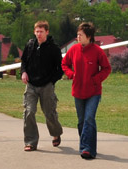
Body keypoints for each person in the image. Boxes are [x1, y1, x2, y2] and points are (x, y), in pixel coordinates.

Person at [61, 21, 111, 160]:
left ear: (89, 37)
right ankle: (88, 146)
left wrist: (96, 79)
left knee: (89, 119)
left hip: (93, 92)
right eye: (77, 35)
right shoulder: (73, 49)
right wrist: (71, 74)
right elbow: (64, 64)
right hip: (78, 91)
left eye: (80, 35)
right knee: (82, 121)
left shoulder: (97, 51)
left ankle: (86, 149)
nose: (78, 37)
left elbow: (107, 69)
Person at [20, 20, 64, 152]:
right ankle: (31, 142)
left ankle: (56, 133)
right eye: (37, 31)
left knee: (49, 113)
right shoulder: (30, 45)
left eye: (41, 31)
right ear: (34, 32)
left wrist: (52, 81)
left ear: (47, 32)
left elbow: (60, 68)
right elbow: (23, 62)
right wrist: (23, 72)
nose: (39, 34)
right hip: (31, 85)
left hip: (47, 85)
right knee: (29, 112)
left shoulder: (54, 49)